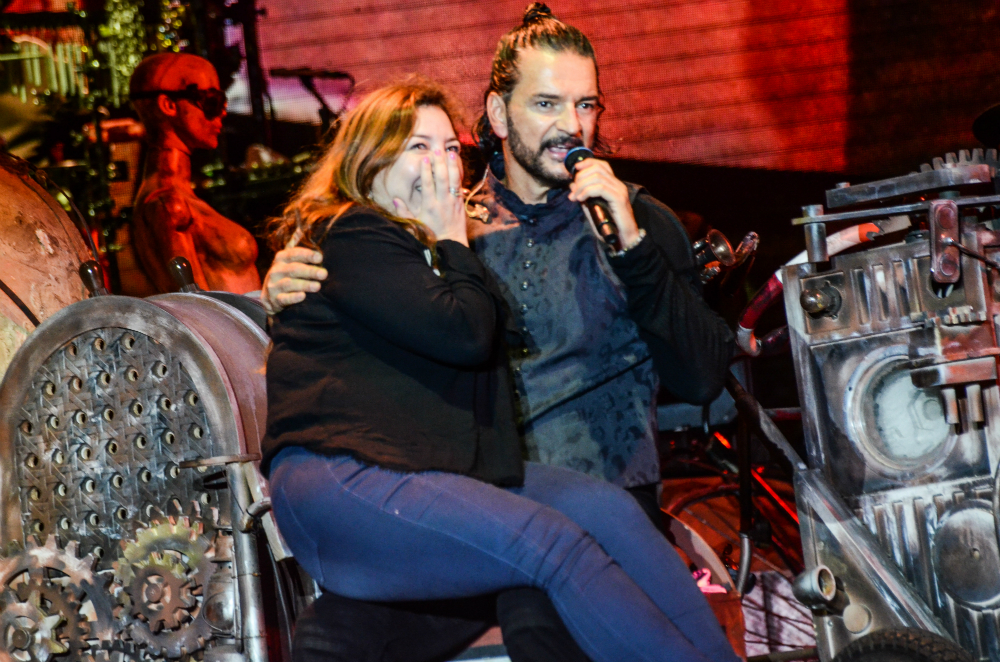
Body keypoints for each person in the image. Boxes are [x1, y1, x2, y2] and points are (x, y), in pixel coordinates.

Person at [263, 5, 736, 660]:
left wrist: (632, 247)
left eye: (586, 105)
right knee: (332, 637)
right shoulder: (431, 224)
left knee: (540, 609)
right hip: (457, 492)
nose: (571, 127)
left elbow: (703, 377)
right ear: (496, 113)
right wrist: (282, 286)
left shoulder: (634, 217)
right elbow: (356, 330)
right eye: (546, 103)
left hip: (594, 502)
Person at [129, 53, 261, 294]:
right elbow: (195, 307)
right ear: (168, 105)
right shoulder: (168, 203)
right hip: (227, 329)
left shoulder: (175, 196)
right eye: (211, 101)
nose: (222, 113)